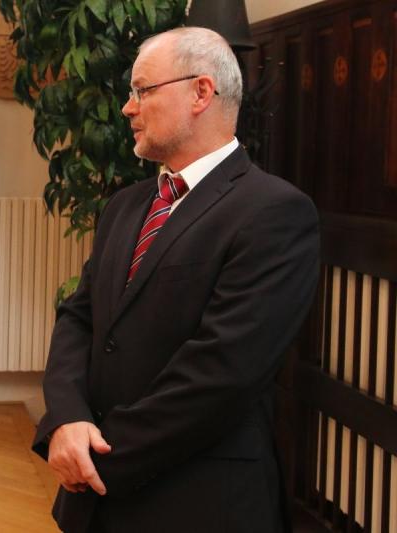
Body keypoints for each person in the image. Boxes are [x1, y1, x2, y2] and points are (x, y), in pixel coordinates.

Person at [33, 27, 319, 533]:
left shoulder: (274, 212)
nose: (128, 108)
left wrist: (100, 456)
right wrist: (67, 419)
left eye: (142, 90)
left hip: (197, 501)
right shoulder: (125, 206)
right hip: (95, 498)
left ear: (201, 92)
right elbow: (79, 318)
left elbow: (220, 375)